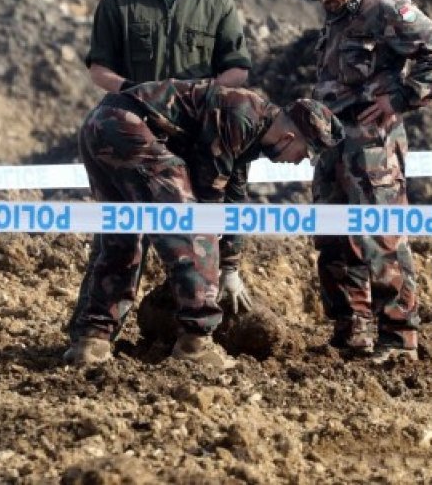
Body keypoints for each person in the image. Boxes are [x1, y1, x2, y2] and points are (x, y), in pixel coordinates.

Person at [67, 0, 254, 348]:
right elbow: (99, 68)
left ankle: (192, 331)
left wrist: (204, 99)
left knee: (192, 229)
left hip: (191, 138)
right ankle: (93, 337)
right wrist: (133, 92)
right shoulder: (120, 1)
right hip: (131, 137)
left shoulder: (217, 1)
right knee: (120, 237)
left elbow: (237, 70)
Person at [64, 78, 344, 368]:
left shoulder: (250, 126)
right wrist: (206, 266)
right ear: (288, 136)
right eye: (304, 152)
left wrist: (230, 268)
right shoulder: (240, 115)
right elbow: (207, 208)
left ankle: (91, 341)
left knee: (122, 235)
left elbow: (233, 202)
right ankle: (195, 344)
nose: (298, 162)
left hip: (102, 123)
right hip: (128, 127)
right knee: (194, 228)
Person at [294, 0, 432, 363]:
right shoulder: (335, 11)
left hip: (372, 148)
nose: (324, 0)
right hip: (332, 142)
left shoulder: (383, 6)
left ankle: (398, 336)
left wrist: (401, 100)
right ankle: (353, 329)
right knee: (332, 237)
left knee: (380, 237)